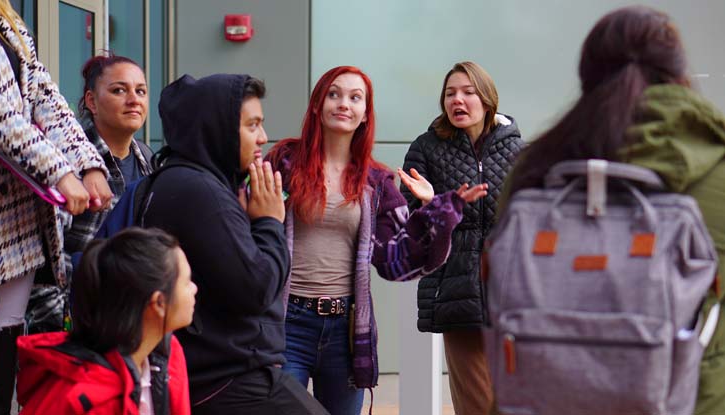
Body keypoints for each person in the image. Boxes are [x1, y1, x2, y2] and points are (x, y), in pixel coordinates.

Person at [504, 6, 725, 415]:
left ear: (586, 73)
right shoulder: (718, 164)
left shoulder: (534, 170)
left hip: (543, 400)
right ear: (679, 72)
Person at [266, 65, 486, 414]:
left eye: (356, 98)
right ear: (317, 104)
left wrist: (437, 211)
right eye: (334, 94)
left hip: (346, 331)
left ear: (365, 114)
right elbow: (247, 224)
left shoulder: (377, 181)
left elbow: (397, 260)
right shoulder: (284, 162)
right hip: (286, 321)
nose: (344, 104)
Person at [142, 73, 328, 414]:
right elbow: (256, 288)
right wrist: (270, 221)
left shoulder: (189, 180)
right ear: (220, 129)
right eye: (252, 125)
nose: (263, 137)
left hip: (221, 376)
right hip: (231, 380)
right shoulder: (201, 192)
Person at [0, 1, 112, 412]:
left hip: (13, 220)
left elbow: (46, 97)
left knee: (3, 352)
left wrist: (87, 163)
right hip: (0, 209)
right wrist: (59, 172)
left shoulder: (7, 20)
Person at [401, 61, 523, 414]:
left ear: (487, 100)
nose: (458, 100)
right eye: (450, 93)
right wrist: (431, 203)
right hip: (455, 288)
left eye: (468, 93)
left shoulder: (517, 150)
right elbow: (409, 223)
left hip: (510, 291)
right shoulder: (426, 148)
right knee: (476, 402)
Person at [27, 52, 154, 334]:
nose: (134, 99)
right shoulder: (66, 163)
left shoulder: (147, 158)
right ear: (91, 102)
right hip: (76, 319)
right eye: (119, 90)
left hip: (129, 313)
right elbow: (49, 257)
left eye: (141, 91)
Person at [16, 227, 196, 414]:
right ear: (158, 302)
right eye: (187, 282)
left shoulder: (167, 351)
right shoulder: (87, 400)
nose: (194, 289)